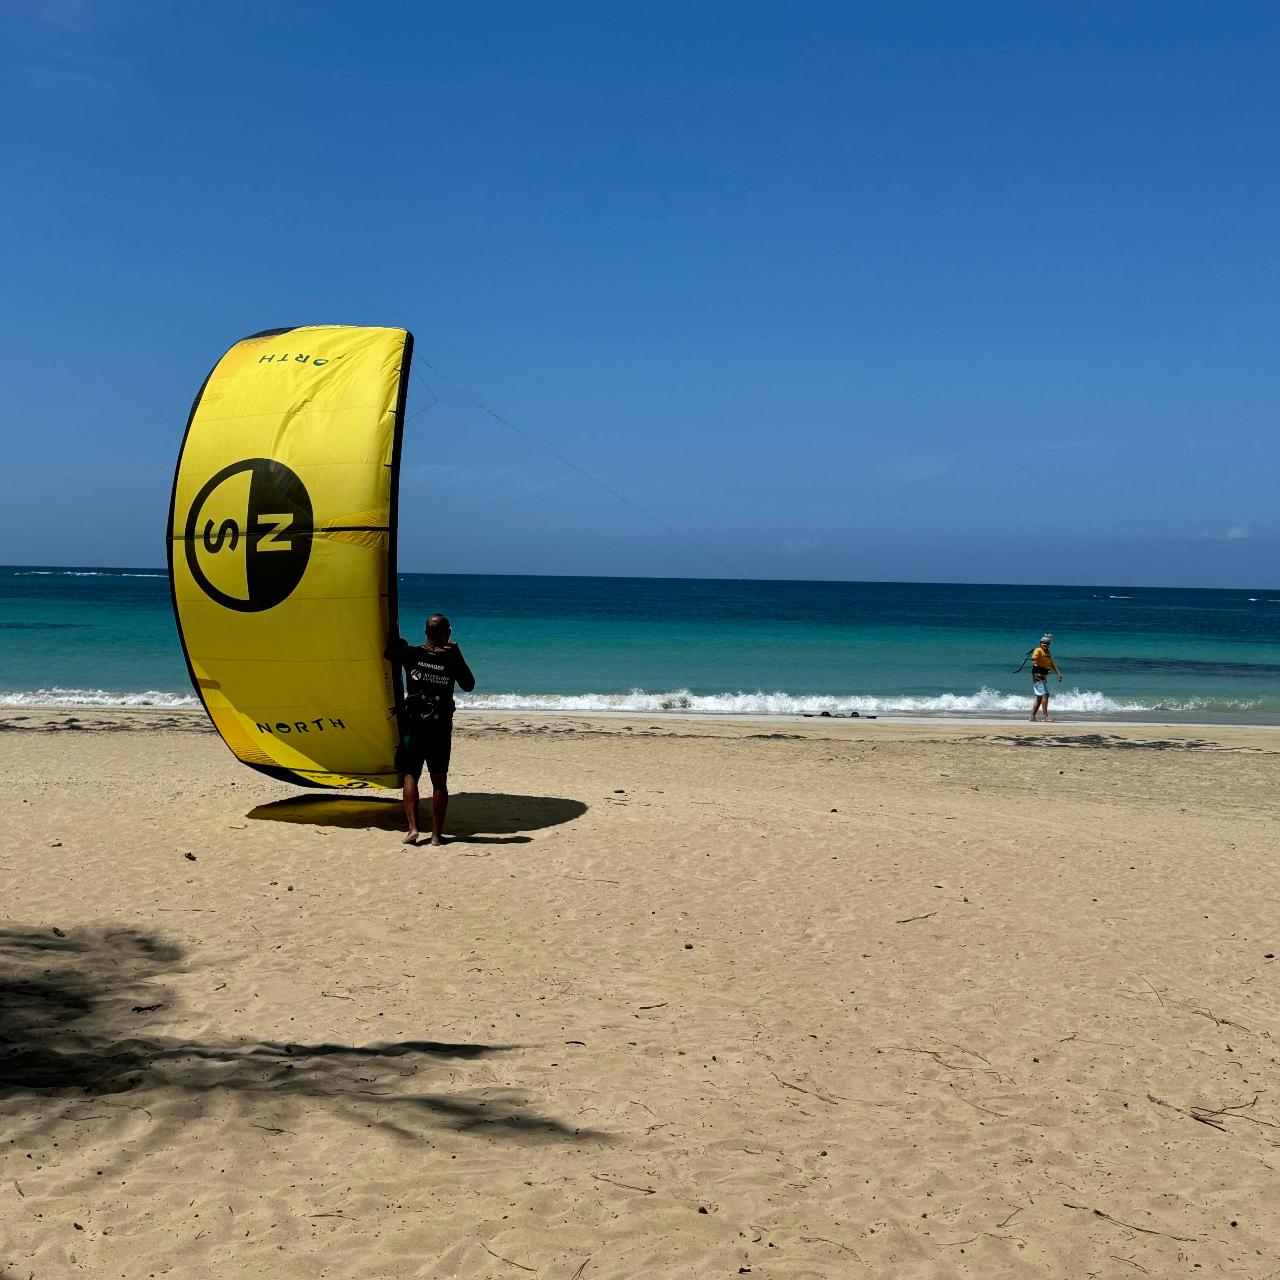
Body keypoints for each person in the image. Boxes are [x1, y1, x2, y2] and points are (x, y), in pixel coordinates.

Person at [385, 614, 476, 846]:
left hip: (414, 726)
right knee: (439, 782)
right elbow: (469, 685)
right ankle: (436, 835)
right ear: (446, 633)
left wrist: (400, 642)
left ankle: (413, 829)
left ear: (426, 633)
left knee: (410, 775)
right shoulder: (452, 659)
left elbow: (389, 652)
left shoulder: (412, 654)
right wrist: (458, 653)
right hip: (439, 728)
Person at [1029, 632, 1063, 722]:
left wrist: (1058, 673)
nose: (1045, 644)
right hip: (1037, 677)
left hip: (1043, 678)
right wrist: (1034, 658)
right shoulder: (1038, 650)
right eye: (1043, 643)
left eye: (1047, 643)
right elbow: (1034, 657)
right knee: (1045, 695)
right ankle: (1045, 717)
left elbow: (1051, 664)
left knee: (1039, 698)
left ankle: (1032, 717)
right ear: (1040, 643)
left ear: (1049, 645)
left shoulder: (1048, 652)